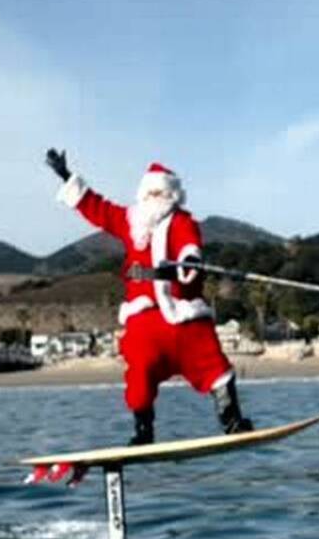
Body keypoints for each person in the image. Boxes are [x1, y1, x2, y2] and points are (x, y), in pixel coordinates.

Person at [44, 148, 253, 445]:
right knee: (139, 369)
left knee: (214, 365)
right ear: (143, 194)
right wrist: (66, 176)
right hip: (145, 317)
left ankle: (232, 421)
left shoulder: (183, 221)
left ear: (172, 195)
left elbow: (189, 245)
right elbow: (97, 208)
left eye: (161, 192)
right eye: (151, 191)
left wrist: (190, 260)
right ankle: (143, 432)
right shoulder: (130, 220)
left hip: (182, 314)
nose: (155, 197)